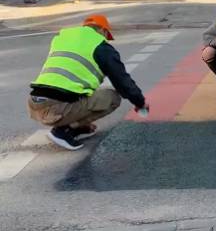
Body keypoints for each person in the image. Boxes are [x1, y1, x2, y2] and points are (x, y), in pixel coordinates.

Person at [28, 15, 148, 151]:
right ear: (103, 31)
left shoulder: (64, 38)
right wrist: (140, 103)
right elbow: (122, 82)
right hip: (57, 108)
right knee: (112, 97)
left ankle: (76, 127)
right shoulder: (101, 47)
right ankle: (63, 131)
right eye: (106, 36)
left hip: (35, 104)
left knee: (88, 92)